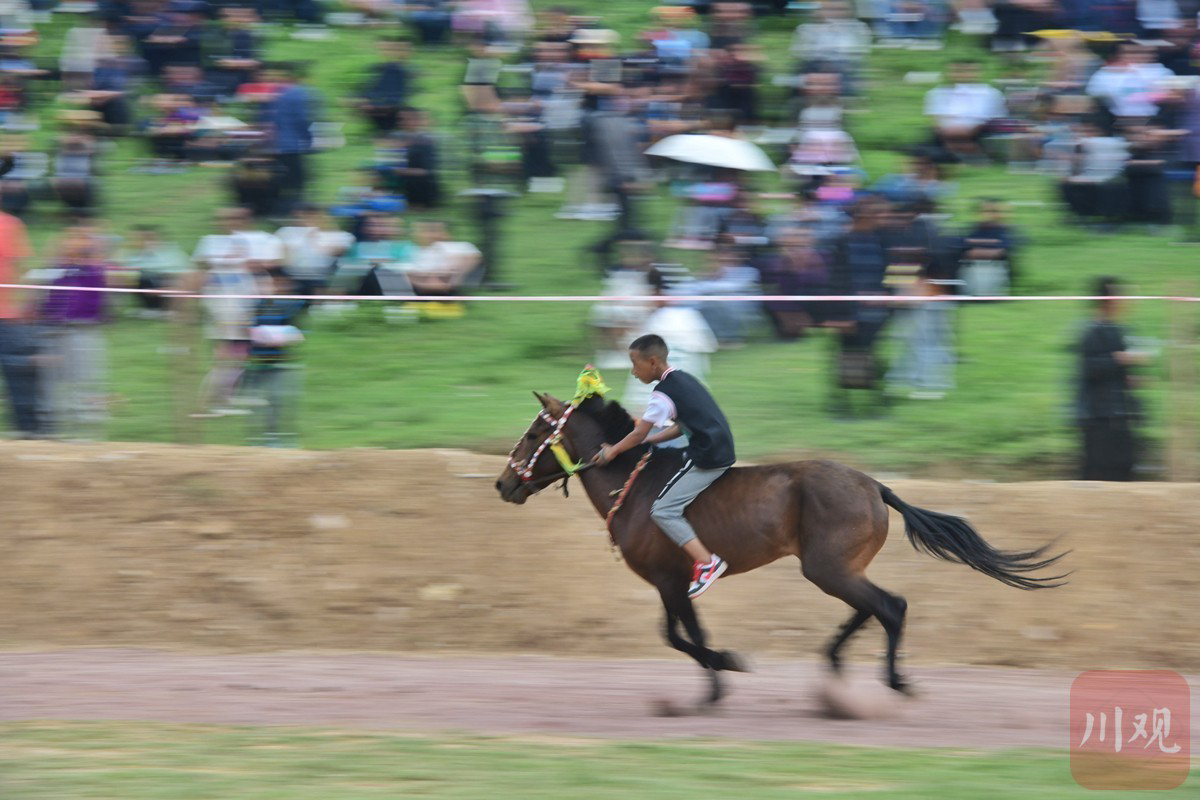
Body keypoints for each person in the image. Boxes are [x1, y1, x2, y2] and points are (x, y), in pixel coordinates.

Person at [592, 334, 735, 599]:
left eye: (635, 364)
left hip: (709, 457)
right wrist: (653, 440)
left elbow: (637, 434)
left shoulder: (662, 395)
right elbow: (681, 426)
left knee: (663, 510)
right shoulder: (683, 379)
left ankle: (707, 563)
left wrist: (612, 451)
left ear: (653, 361)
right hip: (716, 446)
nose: (633, 372)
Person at [1074, 276, 1148, 481]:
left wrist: (1131, 378)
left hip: (1120, 414)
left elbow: (1120, 371)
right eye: (1119, 298)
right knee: (1096, 473)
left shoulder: (1118, 331)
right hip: (1097, 417)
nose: (1123, 303)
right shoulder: (1090, 331)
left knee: (1125, 468)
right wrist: (1120, 359)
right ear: (1107, 301)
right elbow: (1090, 367)